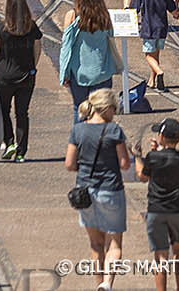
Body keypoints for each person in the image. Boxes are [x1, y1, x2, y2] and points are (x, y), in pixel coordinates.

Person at [65, 87, 130, 290]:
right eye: (114, 109)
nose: (115, 113)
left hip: (85, 192)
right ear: (106, 108)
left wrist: (81, 167)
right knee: (114, 243)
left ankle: (98, 283)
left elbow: (69, 164)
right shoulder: (114, 130)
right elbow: (124, 163)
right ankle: (107, 283)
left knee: (95, 244)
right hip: (111, 190)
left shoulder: (78, 130)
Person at [0, 0, 42, 162]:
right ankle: (21, 152)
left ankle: (9, 142)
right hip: (26, 76)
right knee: (22, 113)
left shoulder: (1, 27)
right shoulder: (32, 27)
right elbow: (37, 50)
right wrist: (32, 67)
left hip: (4, 77)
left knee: (3, 110)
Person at [133, 117, 179, 291]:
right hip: (177, 209)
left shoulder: (153, 157)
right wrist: (159, 152)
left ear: (162, 136)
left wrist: (137, 157)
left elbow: (142, 176)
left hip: (156, 209)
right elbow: (167, 161)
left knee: (160, 255)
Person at [59, 0, 117, 116]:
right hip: (102, 71)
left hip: (80, 74)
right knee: (102, 112)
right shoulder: (104, 16)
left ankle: (80, 136)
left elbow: (66, 47)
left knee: (80, 110)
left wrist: (64, 73)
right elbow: (111, 35)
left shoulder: (73, 16)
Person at [131, 0, 179, 92]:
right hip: (162, 29)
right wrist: (177, 13)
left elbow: (133, 10)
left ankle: (159, 71)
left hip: (149, 29)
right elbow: (174, 11)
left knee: (148, 55)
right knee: (156, 54)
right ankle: (152, 80)